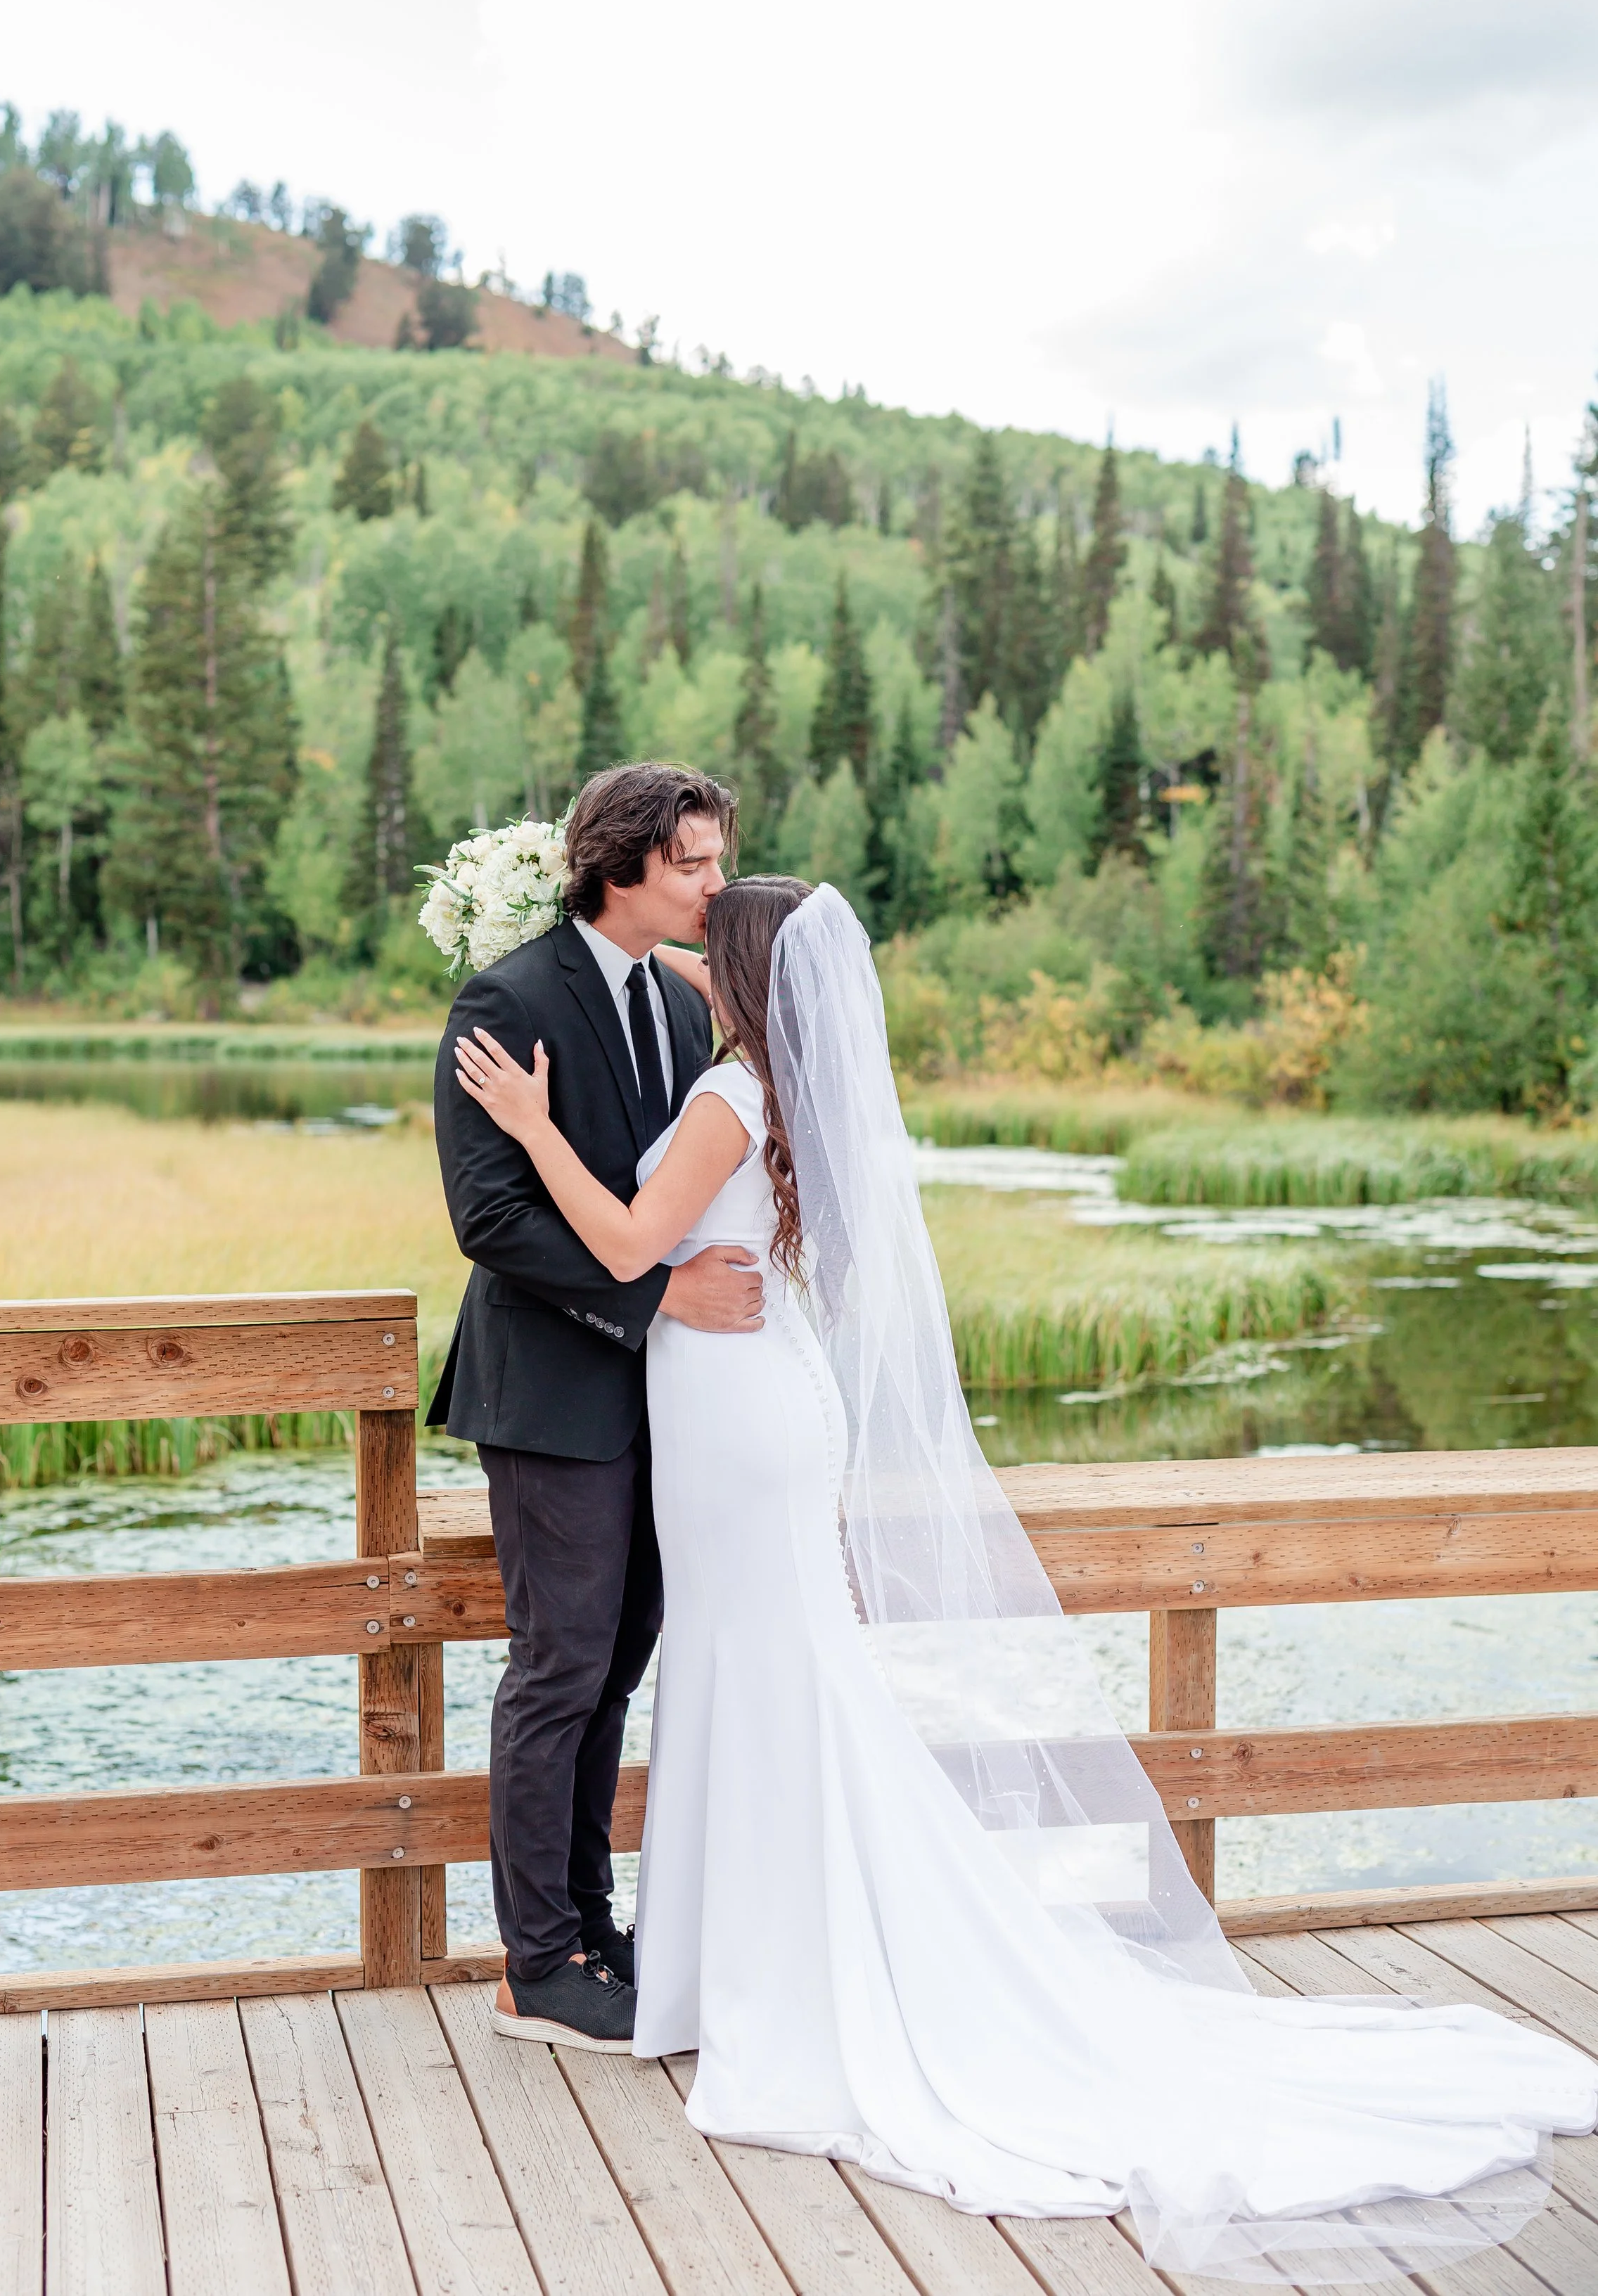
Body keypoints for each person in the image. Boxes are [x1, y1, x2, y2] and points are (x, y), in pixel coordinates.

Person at [452, 875, 1598, 2286]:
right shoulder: (782, 1084)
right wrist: (663, 959)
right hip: (757, 1405)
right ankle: (732, 1956)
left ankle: (757, 1971)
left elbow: (629, 1245)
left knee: (757, 1668)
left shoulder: (724, 1103)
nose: (686, 949)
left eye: (709, 943)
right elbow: (706, 988)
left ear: (740, 981)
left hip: (729, 1416)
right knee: (768, 1667)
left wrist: (526, 1125)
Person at [428, 762, 760, 2051]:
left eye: (721, 862)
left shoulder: (678, 1008)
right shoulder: (506, 997)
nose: (714, 885)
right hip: (554, 1392)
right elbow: (490, 1217)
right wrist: (658, 1300)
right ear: (621, 862)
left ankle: (591, 1925)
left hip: (660, 1410)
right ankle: (535, 1961)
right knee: (558, 1667)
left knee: (618, 1664)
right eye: (694, 865)